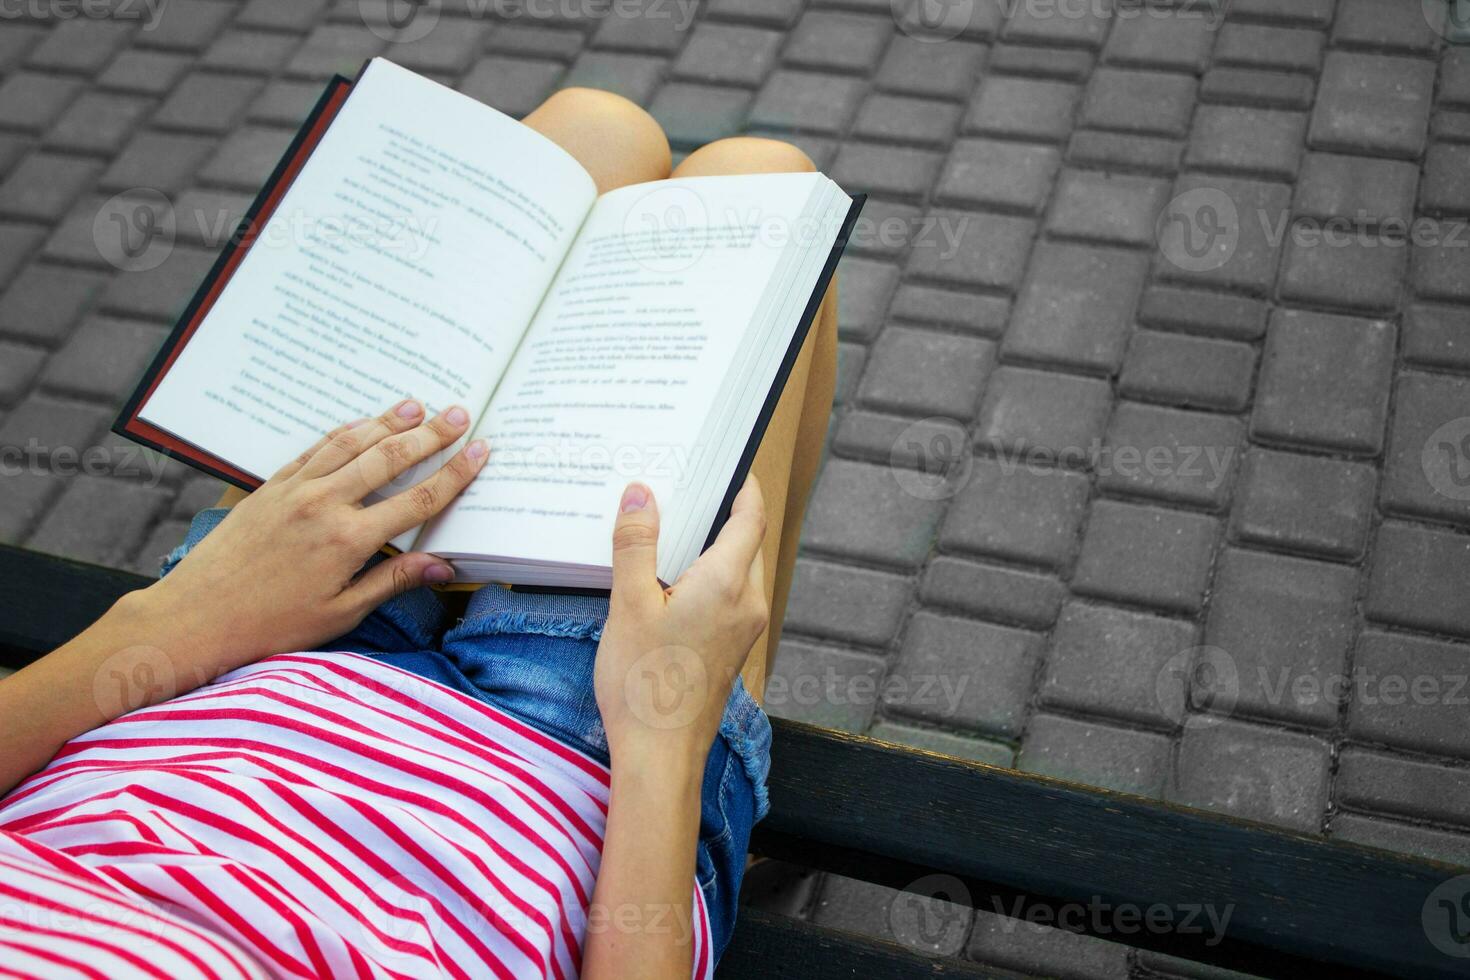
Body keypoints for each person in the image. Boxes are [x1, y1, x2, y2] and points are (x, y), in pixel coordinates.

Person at [0, 88, 837, 980]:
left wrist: (169, 621)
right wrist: (671, 738)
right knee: (765, 195)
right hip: (573, 781)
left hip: (225, 663)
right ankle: (730, 748)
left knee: (587, 134)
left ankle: (733, 718)